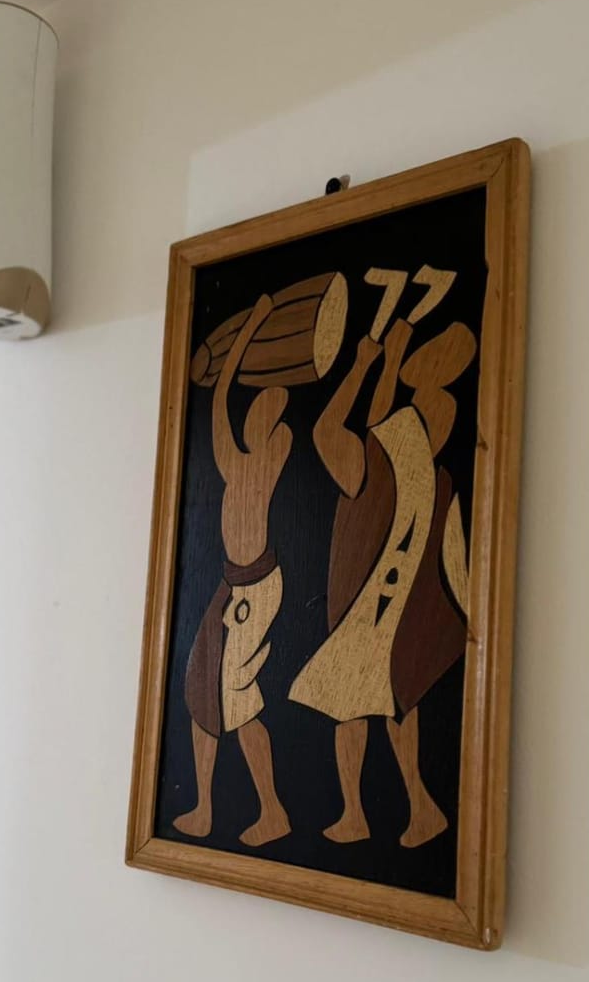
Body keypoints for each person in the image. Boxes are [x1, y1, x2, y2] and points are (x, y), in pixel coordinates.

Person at [289, 298, 474, 848]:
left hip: (375, 608)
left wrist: (369, 363)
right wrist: (385, 360)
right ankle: (405, 809)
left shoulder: (390, 466)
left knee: (366, 703)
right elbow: (381, 427)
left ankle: (388, 810)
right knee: (384, 702)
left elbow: (332, 429)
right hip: (388, 609)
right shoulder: (430, 475)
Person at [173, 295, 292, 847]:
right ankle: (205, 806)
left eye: (268, 406)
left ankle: (272, 810)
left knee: (235, 700)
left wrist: (250, 328)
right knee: (204, 689)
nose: (258, 410)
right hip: (235, 584)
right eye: (260, 404)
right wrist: (250, 328)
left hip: (251, 588)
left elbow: (221, 402)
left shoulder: (259, 460)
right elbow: (223, 402)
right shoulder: (249, 459)